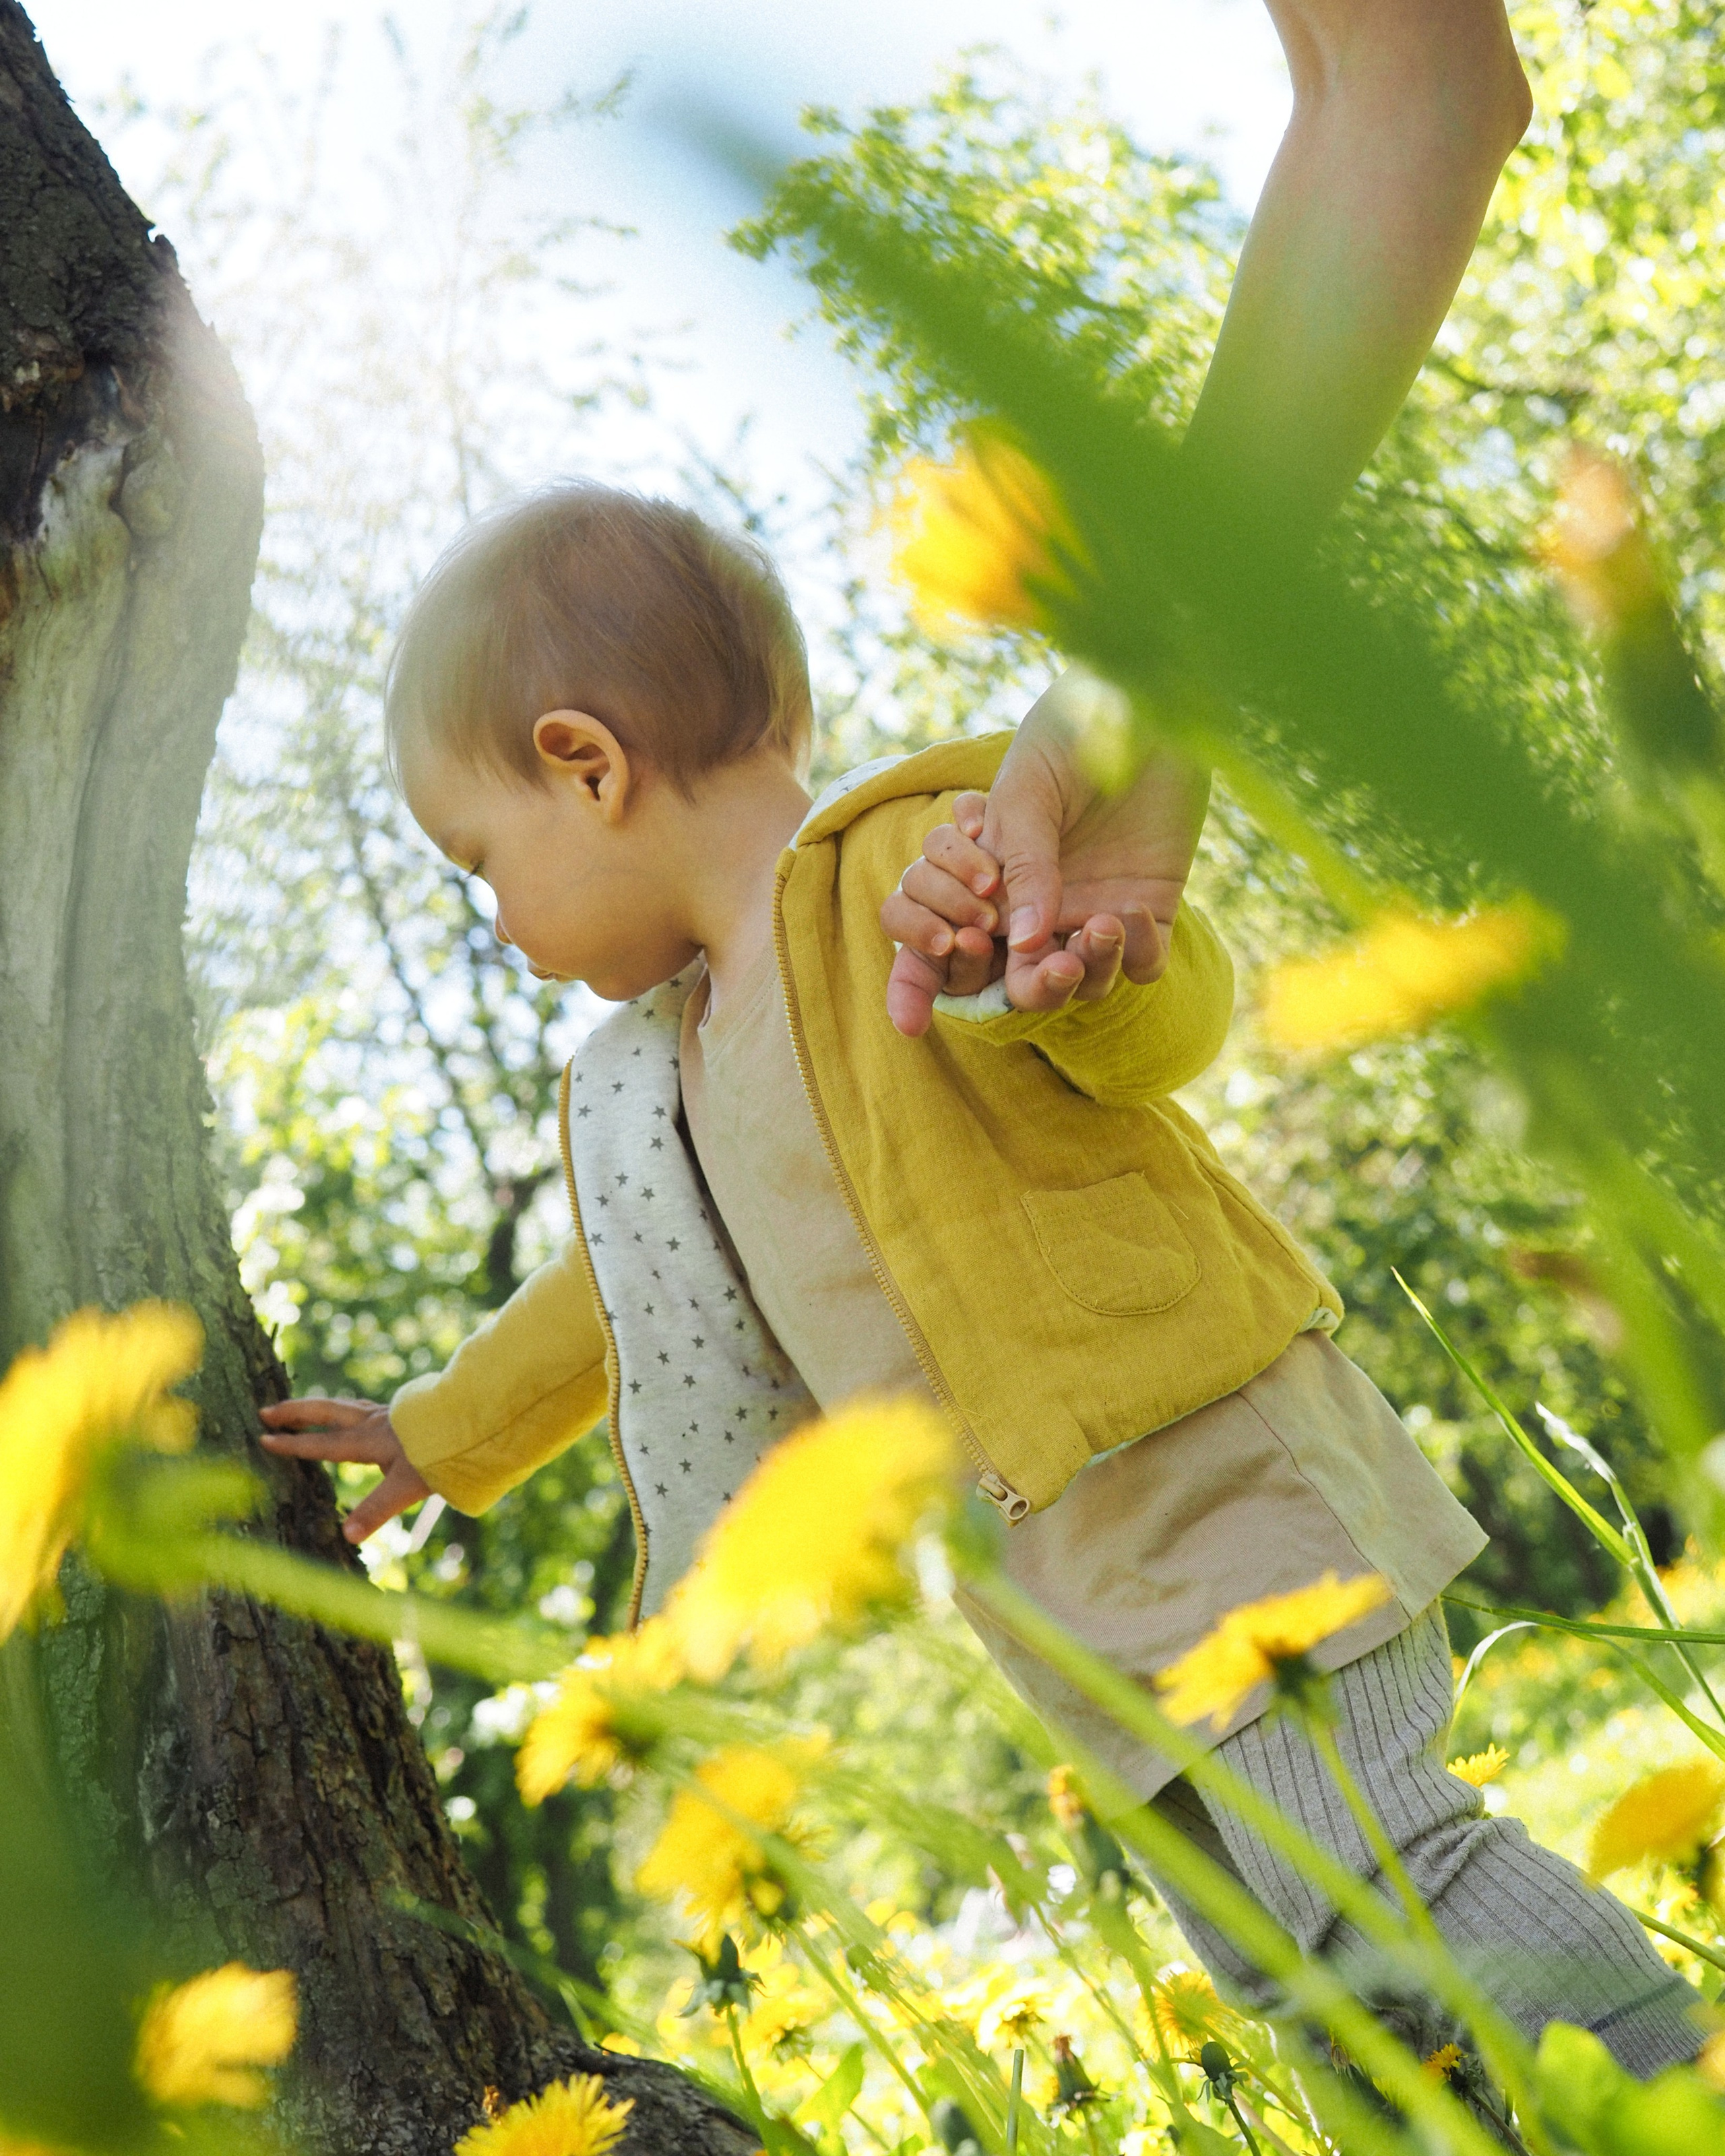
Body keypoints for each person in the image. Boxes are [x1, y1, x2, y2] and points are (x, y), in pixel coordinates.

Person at [259, 0, 1703, 2085]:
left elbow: (1151, 1001)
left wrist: (1099, 979)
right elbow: (632, 1302)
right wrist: (441, 1429)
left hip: (1201, 1468)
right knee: (1314, 1987)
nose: (494, 924)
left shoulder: (918, 863)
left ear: (584, 769)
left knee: (1389, 1889)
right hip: (1055, 1587)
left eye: (478, 861)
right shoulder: (675, 1074)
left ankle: (1661, 2097)